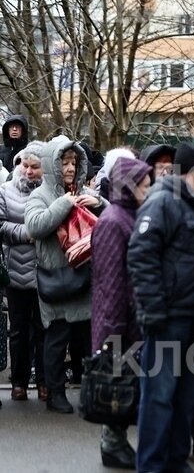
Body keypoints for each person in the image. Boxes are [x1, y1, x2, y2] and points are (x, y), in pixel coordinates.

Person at [127, 142, 194, 472]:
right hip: (168, 318)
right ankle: (151, 465)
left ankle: (176, 460)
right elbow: (141, 254)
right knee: (159, 397)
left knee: (185, 396)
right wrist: (153, 309)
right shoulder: (164, 201)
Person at [25, 137, 106, 414]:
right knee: (56, 340)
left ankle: (89, 393)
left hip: (85, 277)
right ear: (53, 164)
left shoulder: (84, 189)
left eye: (74, 162)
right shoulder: (40, 194)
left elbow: (110, 216)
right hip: (56, 279)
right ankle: (55, 393)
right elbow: (34, 227)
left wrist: (97, 202)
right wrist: (65, 204)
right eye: (64, 162)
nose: (70, 168)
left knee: (86, 341)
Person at [90, 156, 152, 469]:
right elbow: (111, 282)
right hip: (118, 320)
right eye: (143, 182)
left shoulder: (131, 215)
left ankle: (116, 442)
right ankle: (112, 445)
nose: (149, 187)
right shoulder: (114, 221)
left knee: (125, 382)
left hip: (130, 318)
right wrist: (112, 332)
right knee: (116, 383)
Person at [0, 141, 47, 403]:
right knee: (18, 331)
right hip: (16, 270)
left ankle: (43, 382)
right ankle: (18, 382)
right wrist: (26, 233)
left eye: (35, 167)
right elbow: (1, 225)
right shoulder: (5, 191)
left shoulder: (51, 192)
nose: (29, 171)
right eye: (25, 165)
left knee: (44, 330)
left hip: (44, 271)